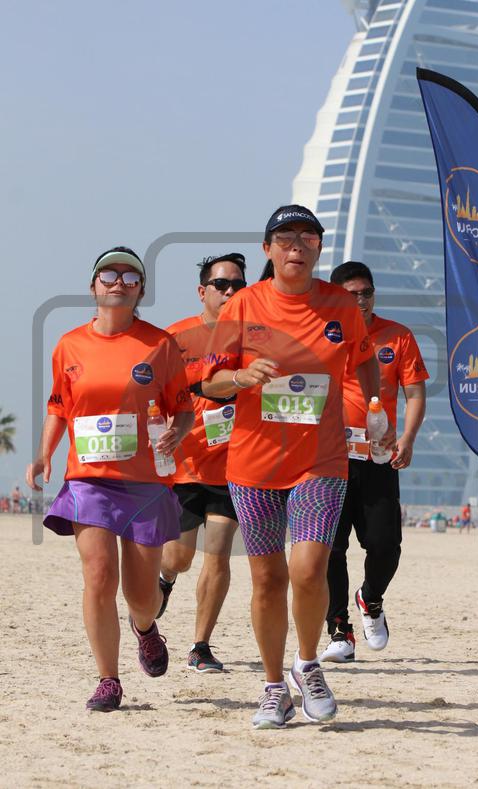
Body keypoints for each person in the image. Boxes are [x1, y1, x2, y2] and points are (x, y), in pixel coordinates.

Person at [201, 205, 380, 729]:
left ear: (319, 248)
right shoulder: (243, 305)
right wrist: (242, 378)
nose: (296, 245)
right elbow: (209, 382)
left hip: (320, 460)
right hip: (254, 463)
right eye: (285, 237)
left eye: (307, 236)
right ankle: (274, 687)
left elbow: (364, 358)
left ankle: (307, 664)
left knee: (307, 570)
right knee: (266, 578)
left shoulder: (339, 305)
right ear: (268, 250)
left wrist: (375, 411)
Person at [26, 246, 194, 712]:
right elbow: (59, 406)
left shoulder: (160, 345)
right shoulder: (69, 345)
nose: (119, 282)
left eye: (130, 277)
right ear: (93, 286)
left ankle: (145, 627)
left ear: (141, 290)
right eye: (109, 274)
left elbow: (183, 408)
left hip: (144, 482)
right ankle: (108, 679)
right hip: (90, 479)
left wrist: (177, 434)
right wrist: (43, 455)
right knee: (99, 575)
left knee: (141, 595)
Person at [320, 261, 428, 664]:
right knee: (330, 548)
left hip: (378, 455)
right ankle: (339, 630)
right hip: (328, 458)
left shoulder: (397, 336)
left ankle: (371, 597)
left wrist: (408, 438)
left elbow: (415, 394)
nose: (361, 301)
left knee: (385, 545)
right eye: (351, 295)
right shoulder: (320, 335)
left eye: (366, 293)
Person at [159, 252, 247, 673]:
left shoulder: (254, 338)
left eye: (238, 286)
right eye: (221, 285)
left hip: (234, 465)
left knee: (219, 553)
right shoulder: (176, 337)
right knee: (178, 557)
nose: (230, 292)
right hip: (185, 464)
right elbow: (151, 392)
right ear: (202, 291)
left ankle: (200, 646)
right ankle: (165, 579)